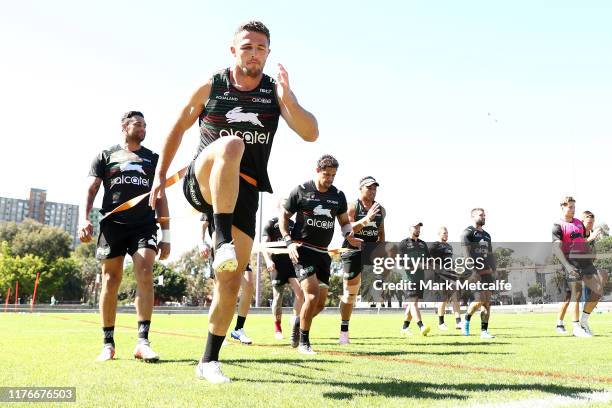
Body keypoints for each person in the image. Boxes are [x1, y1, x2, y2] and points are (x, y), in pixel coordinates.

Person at [149, 21, 318, 383]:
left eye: (260, 47)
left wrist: (290, 98)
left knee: (228, 282)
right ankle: (220, 237)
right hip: (203, 181)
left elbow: (311, 133)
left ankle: (208, 360)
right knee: (231, 145)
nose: (253, 53)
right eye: (246, 46)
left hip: (245, 193)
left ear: (268, 53)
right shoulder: (212, 85)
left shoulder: (274, 92)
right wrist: (159, 179)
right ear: (233, 50)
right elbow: (177, 128)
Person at [79, 111, 171, 363]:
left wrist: (167, 235)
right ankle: (108, 344)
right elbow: (91, 189)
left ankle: (143, 342)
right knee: (110, 279)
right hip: (112, 225)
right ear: (124, 126)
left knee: (145, 269)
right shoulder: (105, 156)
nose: (143, 128)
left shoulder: (152, 159)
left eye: (145, 125)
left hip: (144, 224)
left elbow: (161, 196)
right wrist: (84, 219)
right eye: (138, 124)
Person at [279, 155, 361, 354]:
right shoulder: (301, 190)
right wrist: (288, 241)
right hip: (302, 250)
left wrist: (349, 234)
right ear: (317, 170)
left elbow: (343, 222)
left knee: (321, 303)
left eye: (333, 175)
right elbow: (284, 215)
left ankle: (299, 322)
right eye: (326, 174)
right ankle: (304, 343)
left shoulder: (338, 195)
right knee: (312, 295)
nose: (330, 178)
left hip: (323, 254)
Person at [338, 176, 385, 344]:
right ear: (360, 189)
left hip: (369, 253)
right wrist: (367, 219)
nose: (372, 192)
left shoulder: (381, 209)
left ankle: (346, 309)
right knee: (350, 293)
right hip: (352, 251)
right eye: (369, 188)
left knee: (365, 289)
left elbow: (381, 232)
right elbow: (348, 232)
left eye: (374, 189)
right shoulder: (352, 206)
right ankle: (344, 330)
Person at [199, 214, 254, 345]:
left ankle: (238, 329)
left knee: (249, 285)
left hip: (239, 249)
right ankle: (215, 333)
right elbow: (203, 223)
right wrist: (201, 243)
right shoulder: (216, 197)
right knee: (220, 291)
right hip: (220, 249)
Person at [552, 198, 603, 337]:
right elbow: (556, 249)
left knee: (598, 290)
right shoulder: (557, 225)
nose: (573, 209)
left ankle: (584, 321)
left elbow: (582, 241)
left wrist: (591, 237)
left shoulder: (578, 223)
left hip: (585, 262)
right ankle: (575, 327)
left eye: (574, 207)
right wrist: (567, 266)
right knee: (575, 294)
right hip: (571, 262)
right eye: (570, 207)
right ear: (562, 207)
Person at [261, 209, 304, 345]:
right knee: (278, 298)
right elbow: (264, 244)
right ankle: (277, 328)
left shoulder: (293, 224)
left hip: (292, 264)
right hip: (277, 265)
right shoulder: (271, 223)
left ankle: (295, 320)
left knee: (300, 292)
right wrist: (268, 260)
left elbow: (300, 242)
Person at [461, 208, 496, 339]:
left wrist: (494, 269)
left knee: (487, 302)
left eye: (484, 215)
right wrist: (473, 271)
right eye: (481, 215)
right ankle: (466, 319)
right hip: (476, 272)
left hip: (488, 272)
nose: (484, 217)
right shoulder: (467, 233)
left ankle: (484, 331)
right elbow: (466, 254)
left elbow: (490, 253)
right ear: (473, 217)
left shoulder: (487, 235)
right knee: (479, 301)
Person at [399, 222, 430, 337]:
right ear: (410, 228)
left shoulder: (423, 244)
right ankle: (421, 326)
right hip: (409, 279)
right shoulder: (403, 244)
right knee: (414, 303)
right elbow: (401, 262)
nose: (418, 229)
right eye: (415, 227)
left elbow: (428, 261)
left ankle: (404, 328)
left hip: (420, 279)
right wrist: (417, 265)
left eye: (419, 227)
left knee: (413, 304)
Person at [429, 227, 462, 331]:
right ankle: (441, 323)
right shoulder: (434, 245)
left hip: (450, 274)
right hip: (440, 275)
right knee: (443, 299)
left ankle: (458, 322)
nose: (446, 235)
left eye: (447, 233)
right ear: (439, 234)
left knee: (455, 297)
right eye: (444, 233)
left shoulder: (449, 246)